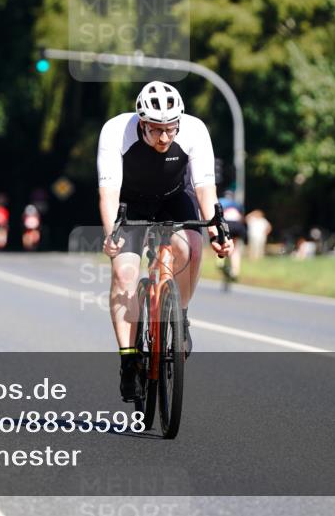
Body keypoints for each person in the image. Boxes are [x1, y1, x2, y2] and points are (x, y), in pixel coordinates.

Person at [98, 81, 232, 402]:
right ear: (142, 123)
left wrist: (217, 232)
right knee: (125, 273)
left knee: (193, 247)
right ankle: (129, 359)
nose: (164, 137)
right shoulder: (116, 131)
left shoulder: (195, 131)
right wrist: (110, 235)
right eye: (156, 130)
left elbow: (204, 189)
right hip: (131, 203)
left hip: (175, 198)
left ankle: (180, 316)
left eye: (170, 129)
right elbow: (108, 192)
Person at [219, 190, 246, 280]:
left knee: (221, 242)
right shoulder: (237, 203)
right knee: (235, 248)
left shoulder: (220, 201)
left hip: (226, 223)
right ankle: (235, 271)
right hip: (237, 225)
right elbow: (242, 217)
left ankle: (220, 262)